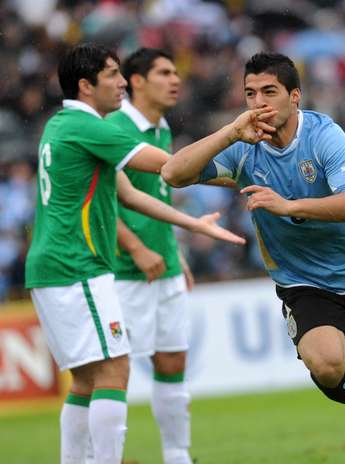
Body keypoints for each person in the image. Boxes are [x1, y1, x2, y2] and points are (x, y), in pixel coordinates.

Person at [162, 52, 345, 463]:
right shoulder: (244, 146)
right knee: (325, 365)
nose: (258, 102)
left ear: (295, 96)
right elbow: (172, 174)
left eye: (270, 91)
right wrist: (230, 133)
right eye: (250, 93)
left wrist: (289, 206)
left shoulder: (324, 135)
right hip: (304, 281)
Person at [24, 43, 248, 464]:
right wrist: (235, 145)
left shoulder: (64, 126)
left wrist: (192, 225)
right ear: (86, 85)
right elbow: (173, 167)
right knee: (114, 371)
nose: (122, 82)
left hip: (57, 267)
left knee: (88, 380)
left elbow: (126, 193)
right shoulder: (91, 127)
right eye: (112, 74)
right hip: (77, 267)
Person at [105, 48, 192, 464]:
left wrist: (177, 254)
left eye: (175, 71)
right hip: (123, 269)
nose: (174, 79)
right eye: (164, 72)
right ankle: (101, 456)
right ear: (136, 81)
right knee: (110, 373)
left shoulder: (161, 129)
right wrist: (136, 247)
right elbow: (102, 202)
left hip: (167, 266)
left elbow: (160, 196)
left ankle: (177, 456)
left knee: (173, 359)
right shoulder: (114, 127)